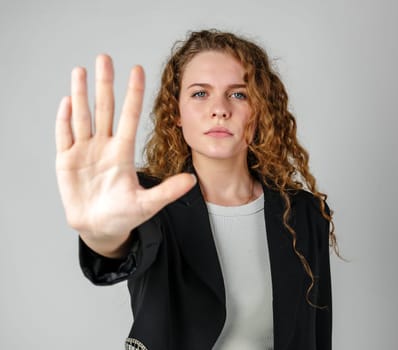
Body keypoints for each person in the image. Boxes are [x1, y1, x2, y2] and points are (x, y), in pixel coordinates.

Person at [55, 29, 338, 350]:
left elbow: (316, 336)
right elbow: (118, 248)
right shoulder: (146, 200)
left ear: (259, 111)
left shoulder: (303, 213)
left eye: (239, 94)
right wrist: (101, 235)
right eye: (200, 93)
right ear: (175, 111)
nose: (219, 108)